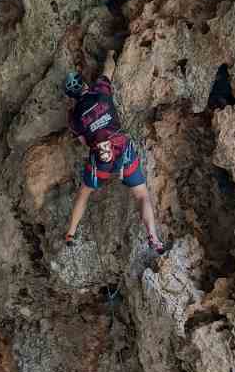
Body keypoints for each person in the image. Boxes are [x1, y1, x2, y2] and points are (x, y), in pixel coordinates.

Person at [63, 56, 165, 253]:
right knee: (142, 195)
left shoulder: (73, 117)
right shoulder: (100, 92)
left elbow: (84, 142)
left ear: (71, 96)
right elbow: (108, 70)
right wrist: (109, 55)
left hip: (100, 161)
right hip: (122, 150)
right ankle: (153, 236)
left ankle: (71, 233)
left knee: (84, 193)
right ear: (84, 83)